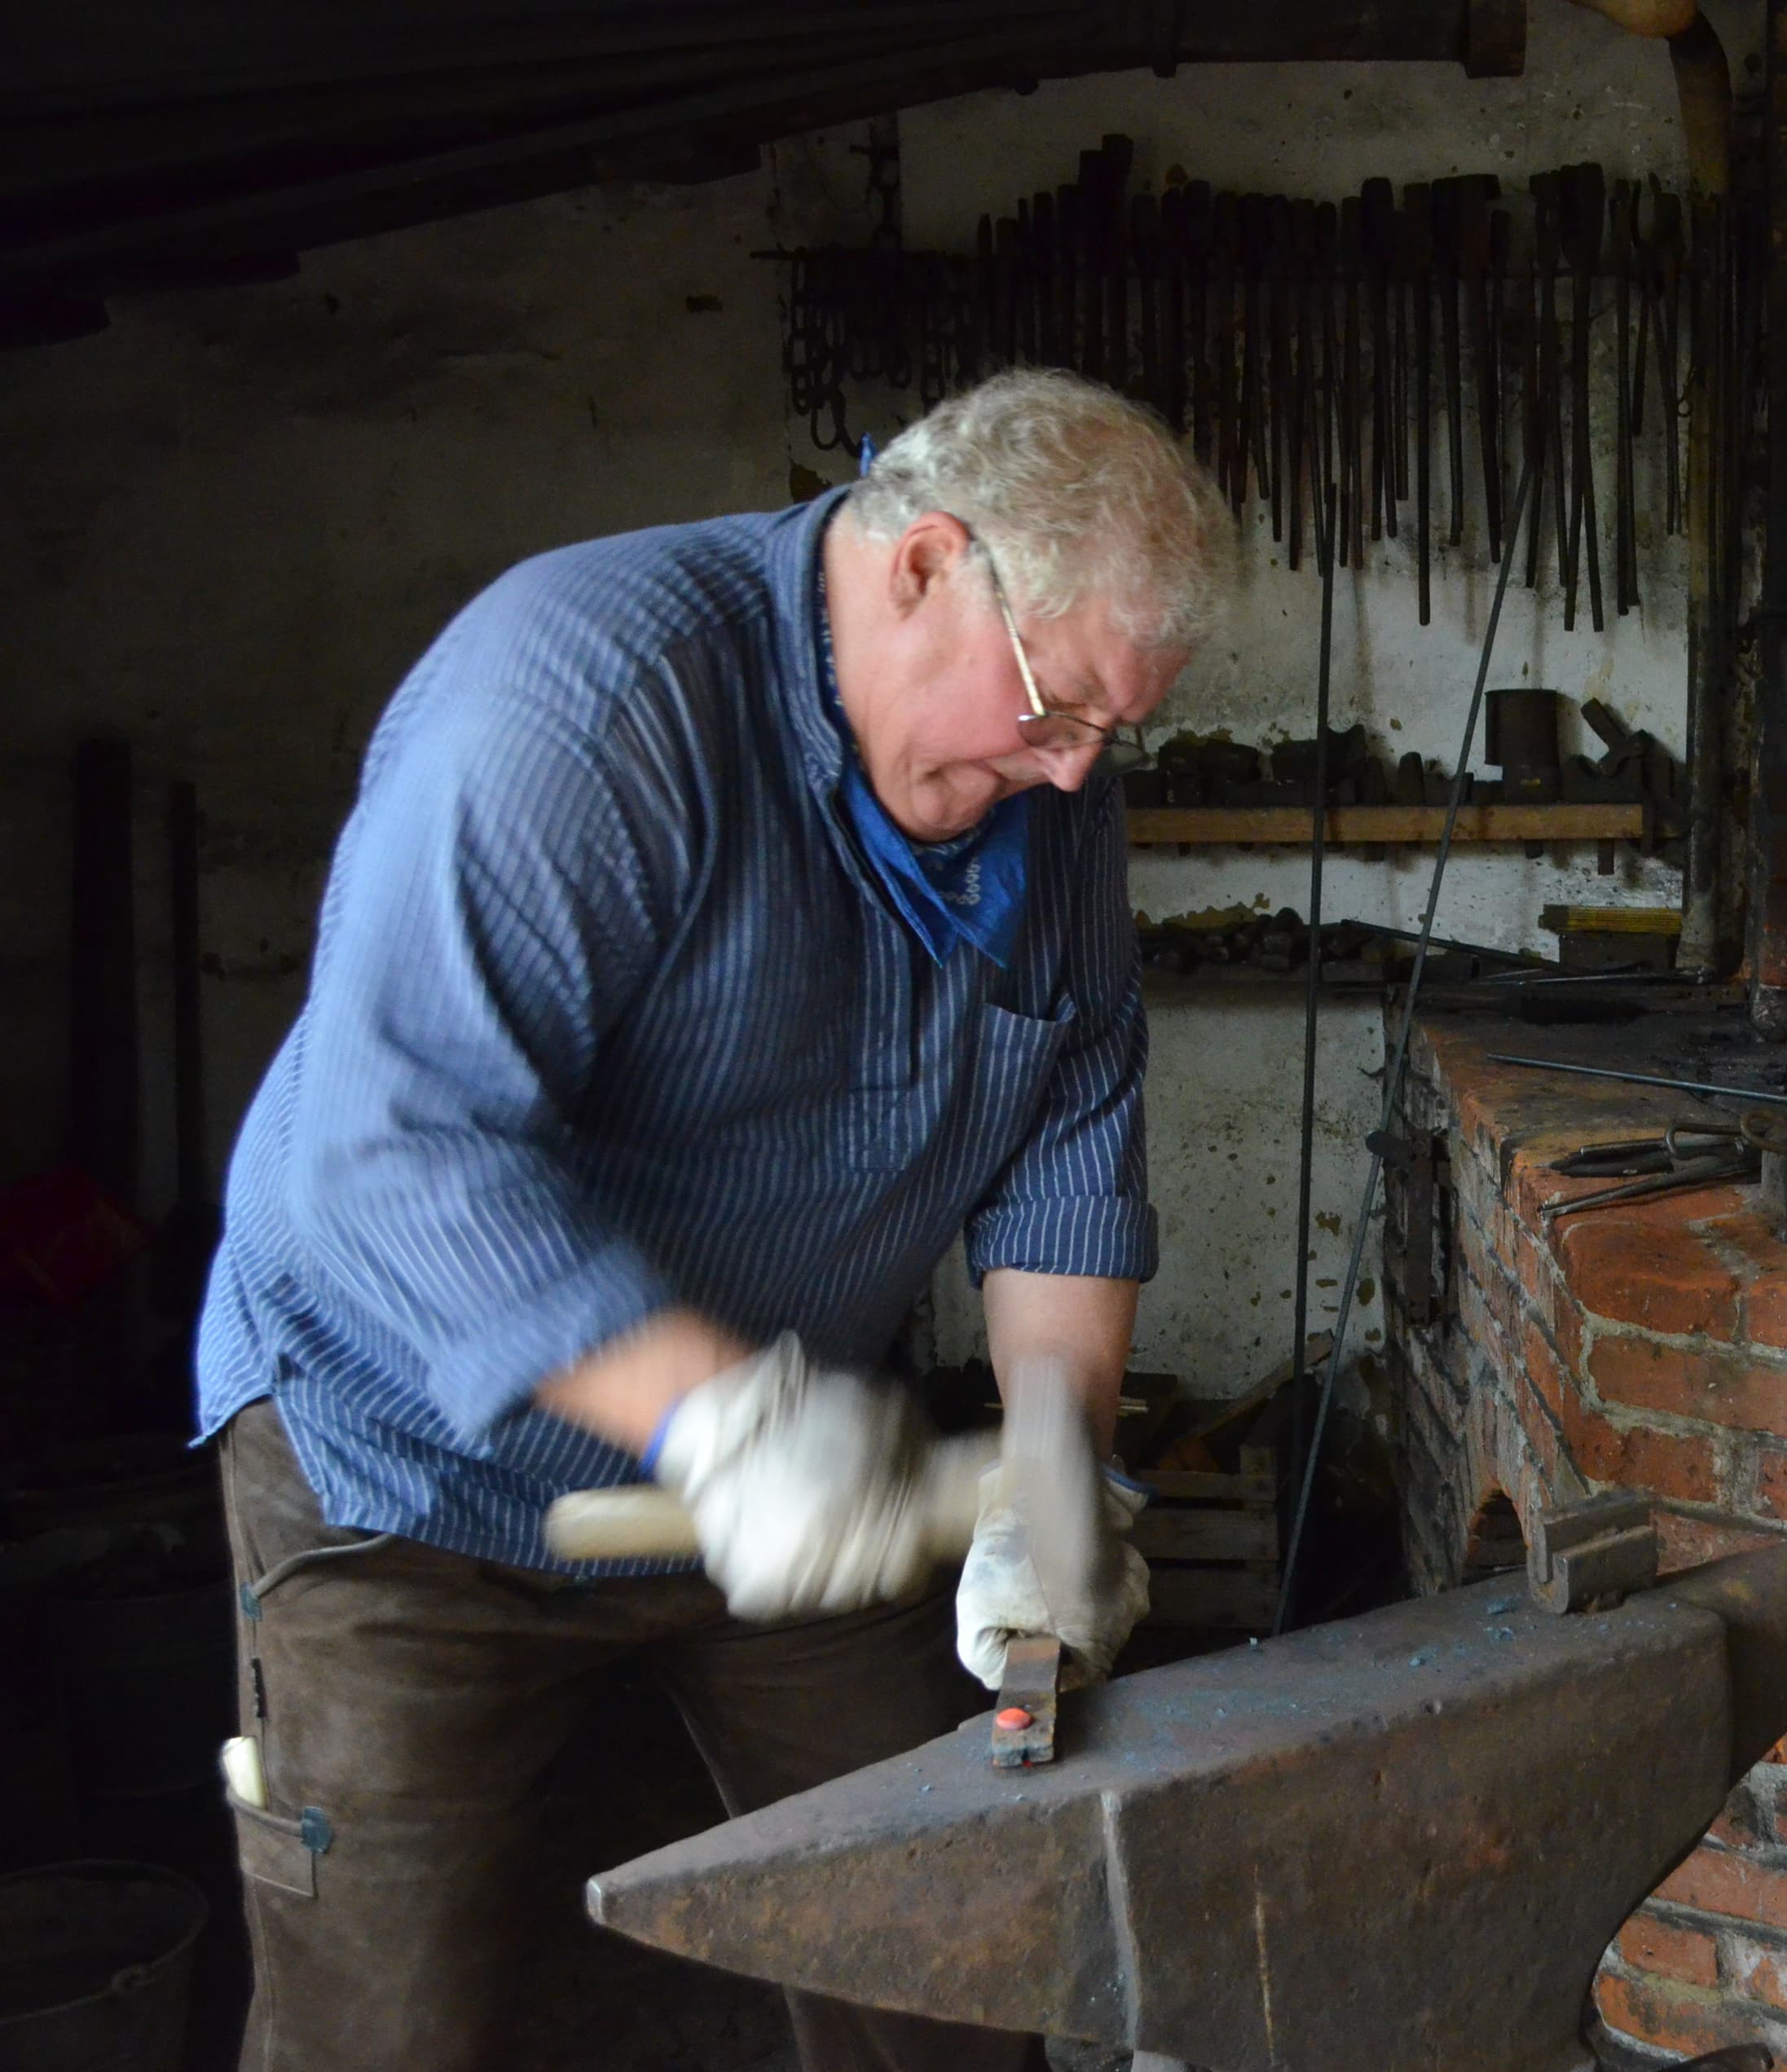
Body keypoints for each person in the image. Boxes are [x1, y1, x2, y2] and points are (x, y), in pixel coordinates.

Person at [193, 368, 1224, 2072]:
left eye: (1116, 730)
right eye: (1054, 710)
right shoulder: (582, 705)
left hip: (803, 1461)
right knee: (381, 2021)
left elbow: (1066, 1136)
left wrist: (1055, 1466)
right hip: (412, 1484)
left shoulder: (1050, 788)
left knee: (953, 1964)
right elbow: (393, 1150)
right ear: (920, 566)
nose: (1072, 772)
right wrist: (721, 1425)